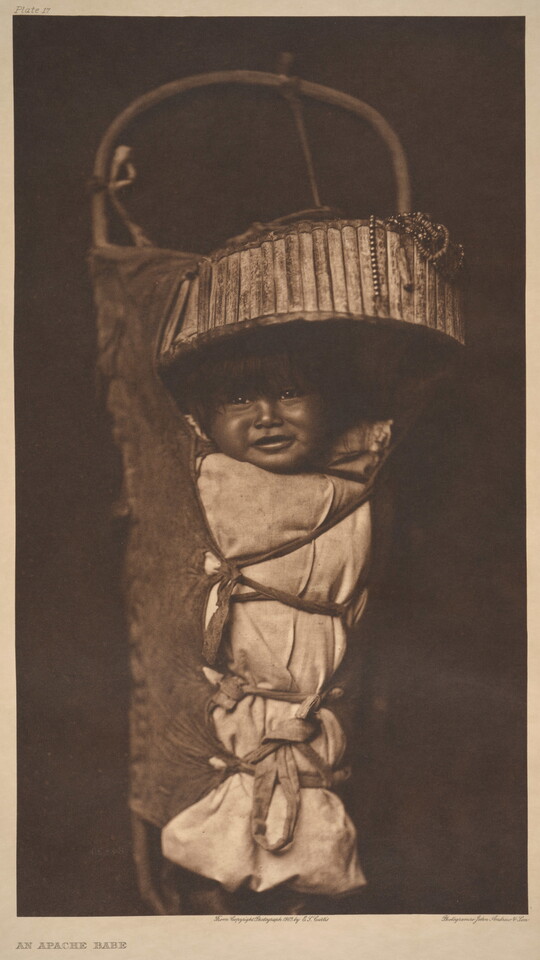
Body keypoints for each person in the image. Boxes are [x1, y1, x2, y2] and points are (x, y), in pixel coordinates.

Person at [159, 325, 393, 913]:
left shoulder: (361, 490)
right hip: (231, 712)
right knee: (216, 845)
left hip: (320, 710)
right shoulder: (202, 491)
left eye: (290, 393)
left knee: (314, 850)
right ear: (203, 419)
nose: (266, 416)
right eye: (239, 399)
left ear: (331, 405)